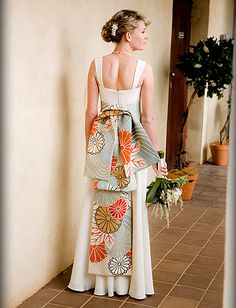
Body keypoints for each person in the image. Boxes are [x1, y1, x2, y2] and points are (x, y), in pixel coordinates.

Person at [68, 9, 168, 300]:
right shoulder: (142, 68)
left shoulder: (96, 65)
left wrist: (92, 149)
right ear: (128, 35)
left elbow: (90, 112)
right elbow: (147, 119)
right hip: (130, 148)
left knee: (98, 207)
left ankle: (94, 281)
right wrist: (157, 157)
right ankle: (127, 283)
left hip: (102, 145)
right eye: (143, 32)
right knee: (130, 208)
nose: (146, 37)